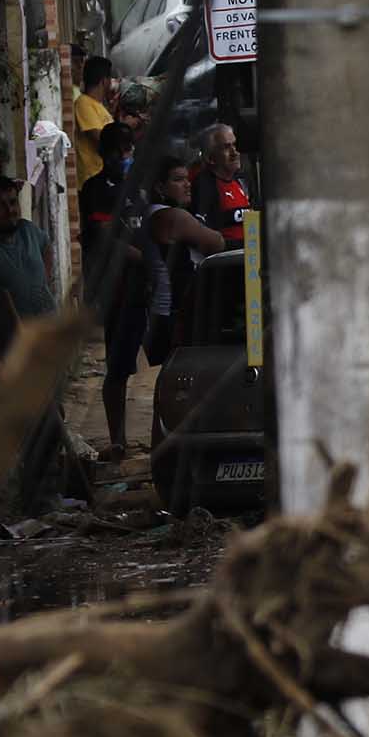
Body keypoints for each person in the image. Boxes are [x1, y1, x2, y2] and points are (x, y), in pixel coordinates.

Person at [103, 156, 226, 461]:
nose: (187, 184)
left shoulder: (151, 215)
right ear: (160, 187)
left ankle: (145, 444)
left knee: (164, 380)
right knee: (182, 380)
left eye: (187, 178)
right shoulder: (173, 218)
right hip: (172, 312)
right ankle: (171, 446)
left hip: (158, 309)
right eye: (178, 179)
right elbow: (217, 243)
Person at [0, 174, 58, 388]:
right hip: (10, 352)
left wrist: (42, 286)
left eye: (13, 202)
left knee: (51, 411)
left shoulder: (29, 231)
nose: (10, 211)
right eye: (0, 205)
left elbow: (47, 248)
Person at [79, 120, 134, 301]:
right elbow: (104, 237)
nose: (121, 156)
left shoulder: (141, 185)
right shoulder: (95, 188)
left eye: (126, 149)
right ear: (102, 153)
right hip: (110, 282)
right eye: (115, 151)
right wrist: (145, 257)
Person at [191, 122, 256, 245]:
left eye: (234, 146)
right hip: (223, 260)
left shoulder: (243, 181)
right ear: (210, 158)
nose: (235, 153)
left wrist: (254, 257)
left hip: (250, 258)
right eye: (226, 147)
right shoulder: (204, 185)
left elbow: (253, 220)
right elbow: (201, 233)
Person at [74, 56, 117, 183]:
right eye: (110, 78)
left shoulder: (98, 106)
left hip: (102, 178)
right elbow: (101, 138)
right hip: (91, 180)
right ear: (104, 81)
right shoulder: (83, 103)